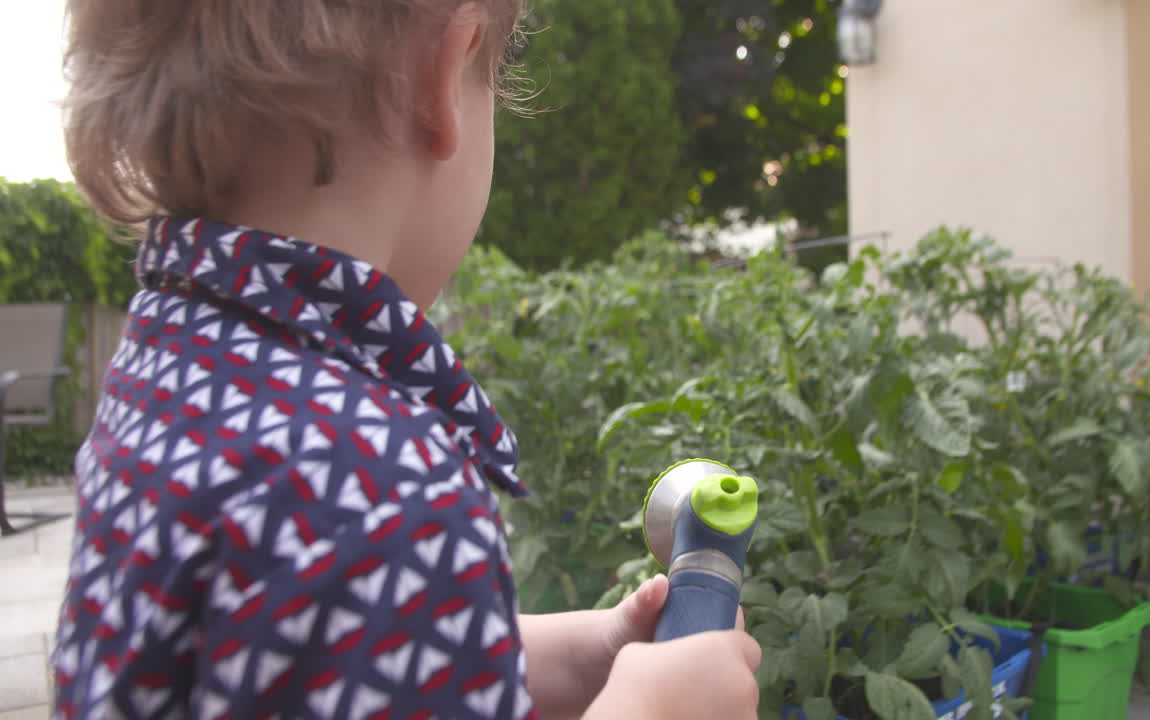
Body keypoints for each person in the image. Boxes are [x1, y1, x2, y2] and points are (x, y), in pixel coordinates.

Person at [50, 1, 762, 718]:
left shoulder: (178, 355)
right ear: (445, 72)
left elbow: (311, 652)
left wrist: (590, 655)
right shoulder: (376, 489)